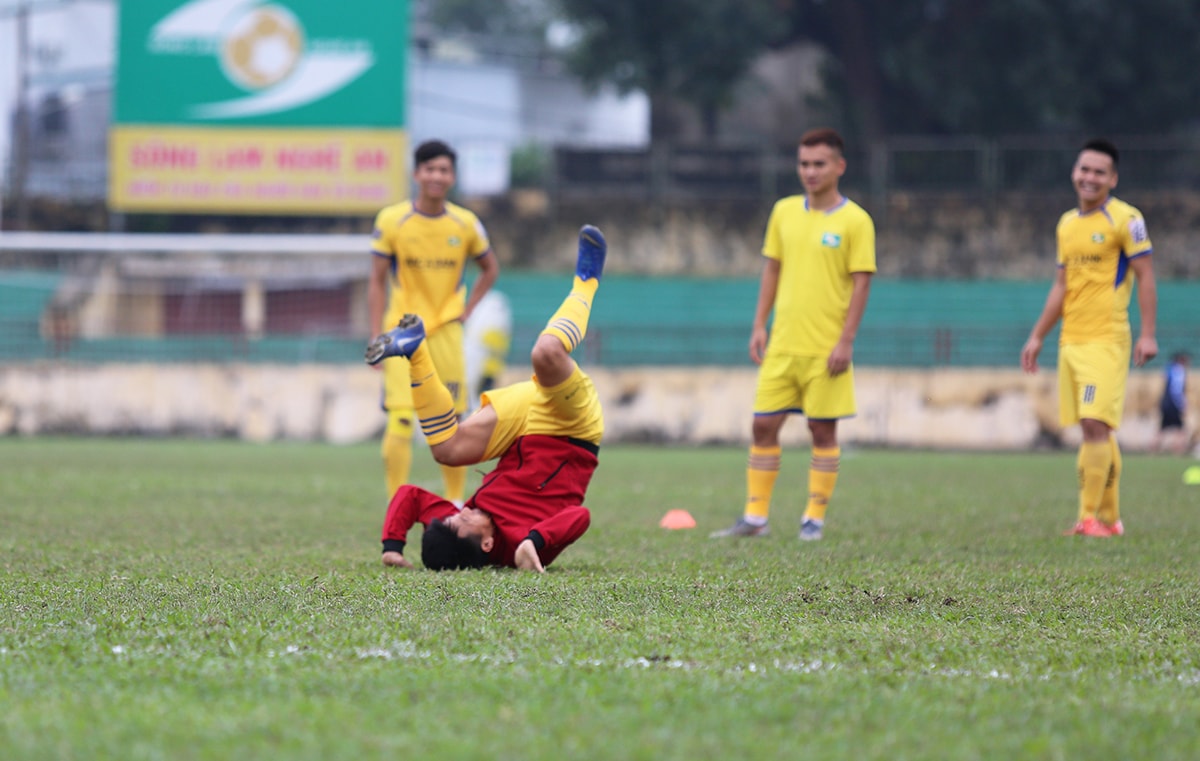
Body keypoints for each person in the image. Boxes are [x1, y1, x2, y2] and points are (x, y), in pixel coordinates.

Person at [365, 225, 607, 572]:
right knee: (546, 352)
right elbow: (579, 516)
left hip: (521, 430)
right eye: (459, 522)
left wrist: (392, 545)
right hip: (572, 429)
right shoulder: (519, 543)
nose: (459, 510)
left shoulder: (463, 521)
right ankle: (587, 281)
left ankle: (415, 352)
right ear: (487, 543)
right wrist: (533, 543)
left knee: (445, 450)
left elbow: (411, 496)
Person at [711, 127, 876, 541]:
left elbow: (862, 283)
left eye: (819, 163)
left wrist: (846, 341)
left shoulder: (856, 220)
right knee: (762, 426)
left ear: (839, 166)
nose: (810, 171)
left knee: (822, 431)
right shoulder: (783, 211)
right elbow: (772, 269)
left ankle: (813, 518)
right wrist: (758, 325)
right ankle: (755, 518)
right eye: (804, 163)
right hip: (783, 344)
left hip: (827, 350)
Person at [1021, 138, 1158, 538]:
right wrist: (1037, 336)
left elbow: (1147, 275)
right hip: (1071, 340)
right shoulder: (1067, 224)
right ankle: (1111, 520)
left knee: (1095, 424)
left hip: (1107, 338)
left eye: (1100, 172)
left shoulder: (1126, 219)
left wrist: (1148, 334)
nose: (1090, 177)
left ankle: (1088, 518)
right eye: (1085, 169)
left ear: (1112, 178)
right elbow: (1061, 285)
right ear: (1074, 173)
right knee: (1095, 429)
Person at [367, 139, 501, 505]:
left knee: (453, 421)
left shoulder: (466, 223)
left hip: (445, 333)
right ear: (417, 174)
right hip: (400, 336)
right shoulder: (392, 220)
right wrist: (376, 334)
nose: (437, 176)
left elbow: (490, 268)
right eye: (430, 169)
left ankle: (455, 502)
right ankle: (397, 505)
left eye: (444, 170)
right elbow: (376, 280)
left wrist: (469, 308)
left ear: (452, 177)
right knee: (401, 418)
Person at [463, 289, 513, 413]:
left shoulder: (486, 320)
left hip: (484, 366)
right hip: (489, 366)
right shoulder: (501, 320)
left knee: (478, 395)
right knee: (481, 395)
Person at [1153, 351, 1190, 455]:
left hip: (1165, 402)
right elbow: (1176, 390)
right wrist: (1182, 403)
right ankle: (1178, 450)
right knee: (1180, 428)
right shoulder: (1179, 371)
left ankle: (1153, 448)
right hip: (1173, 404)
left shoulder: (1169, 368)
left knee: (1163, 427)